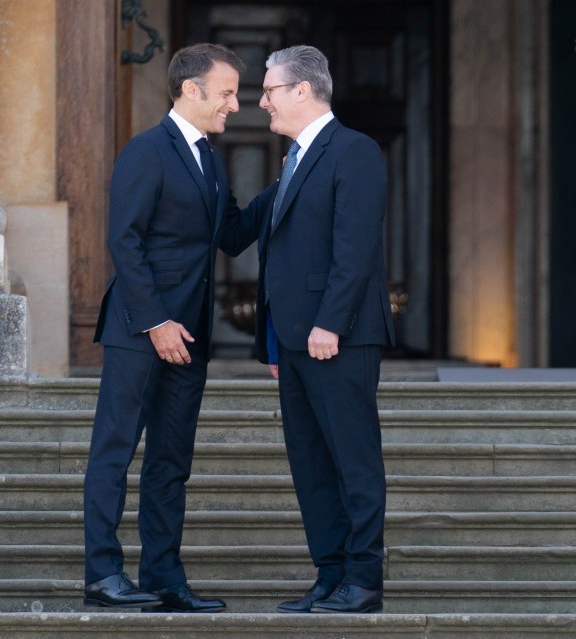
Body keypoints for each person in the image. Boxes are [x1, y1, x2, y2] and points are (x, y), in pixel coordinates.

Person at [224, 45, 395, 614]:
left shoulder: (355, 151)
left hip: (335, 337)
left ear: (302, 90)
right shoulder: (295, 161)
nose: (261, 102)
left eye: (269, 90)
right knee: (310, 464)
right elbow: (244, 231)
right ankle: (330, 574)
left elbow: (355, 249)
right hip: (292, 343)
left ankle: (363, 580)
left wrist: (330, 324)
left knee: (352, 459)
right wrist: (191, 157)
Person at [82, 42, 246, 613]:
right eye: (226, 92)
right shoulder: (146, 151)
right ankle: (103, 575)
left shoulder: (212, 159)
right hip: (139, 328)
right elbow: (124, 241)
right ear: (190, 89)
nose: (235, 104)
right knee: (115, 450)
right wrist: (156, 323)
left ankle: (163, 576)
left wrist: (293, 180)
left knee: (171, 460)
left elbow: (231, 234)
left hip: (191, 336)